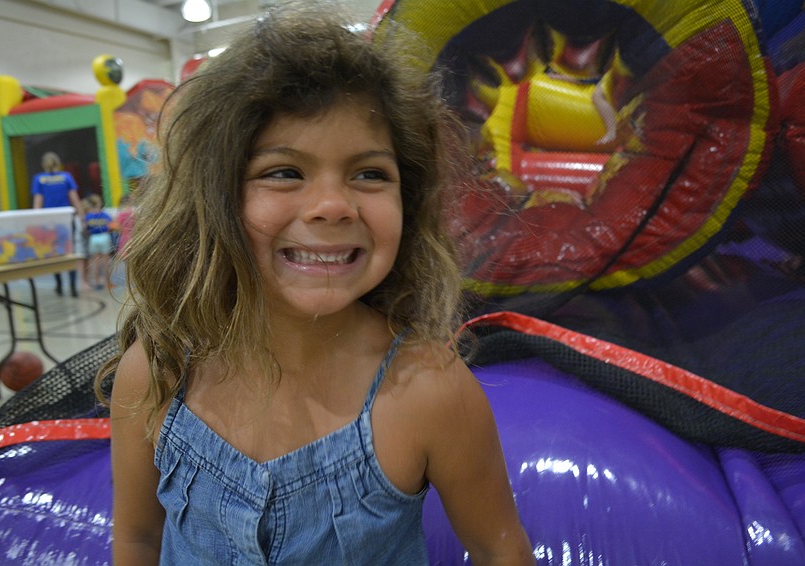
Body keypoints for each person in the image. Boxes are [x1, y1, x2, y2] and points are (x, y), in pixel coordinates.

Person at [97, 3, 534, 564]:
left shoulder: (427, 392)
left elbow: (500, 545)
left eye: (370, 173)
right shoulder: (156, 374)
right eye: (284, 171)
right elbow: (136, 537)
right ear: (216, 198)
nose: (332, 205)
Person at [31, 151, 84, 296]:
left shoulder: (39, 179)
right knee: (69, 251)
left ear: (43, 164)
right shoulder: (66, 177)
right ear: (58, 163)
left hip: (49, 220)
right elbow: (74, 199)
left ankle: (59, 285)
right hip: (66, 219)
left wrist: (36, 221)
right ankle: (73, 287)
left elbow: (38, 202)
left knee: (54, 253)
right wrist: (82, 217)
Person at [83, 194, 113, 290]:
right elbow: (111, 225)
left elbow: (85, 228)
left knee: (96, 261)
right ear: (99, 203)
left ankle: (96, 282)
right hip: (104, 236)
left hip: (93, 238)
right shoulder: (104, 215)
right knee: (106, 261)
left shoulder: (88, 216)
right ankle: (107, 283)